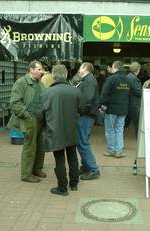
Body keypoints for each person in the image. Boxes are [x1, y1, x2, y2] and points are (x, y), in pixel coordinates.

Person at [37, 64, 86, 196]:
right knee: (73, 157)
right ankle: (74, 183)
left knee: (59, 159)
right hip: (71, 129)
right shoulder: (75, 91)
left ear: (53, 75)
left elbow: (40, 113)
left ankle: (62, 187)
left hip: (54, 130)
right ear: (65, 75)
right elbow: (83, 108)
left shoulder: (47, 92)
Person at [7, 60, 46, 183]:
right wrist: (27, 116)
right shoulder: (21, 82)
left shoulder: (40, 84)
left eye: (42, 69)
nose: (42, 72)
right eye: (39, 69)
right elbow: (15, 103)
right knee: (30, 147)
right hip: (30, 120)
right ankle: (26, 174)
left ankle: (36, 169)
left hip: (40, 120)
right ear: (31, 69)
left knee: (40, 147)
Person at [100, 61, 130, 158]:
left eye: (112, 67)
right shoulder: (128, 80)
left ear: (115, 67)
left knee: (110, 130)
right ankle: (119, 151)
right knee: (119, 129)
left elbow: (104, 94)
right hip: (123, 109)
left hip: (111, 109)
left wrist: (102, 105)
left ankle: (112, 150)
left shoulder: (111, 79)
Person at [76, 62, 100, 180]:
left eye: (80, 68)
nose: (79, 70)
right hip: (86, 115)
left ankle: (93, 169)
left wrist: (80, 110)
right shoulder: (88, 80)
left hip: (86, 115)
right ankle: (86, 166)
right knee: (81, 141)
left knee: (82, 142)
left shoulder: (89, 80)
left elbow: (87, 99)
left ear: (85, 69)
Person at [126, 61, 142, 138]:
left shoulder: (127, 77)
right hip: (134, 104)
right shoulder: (134, 79)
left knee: (123, 124)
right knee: (137, 124)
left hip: (128, 102)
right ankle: (138, 140)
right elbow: (138, 92)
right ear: (138, 70)